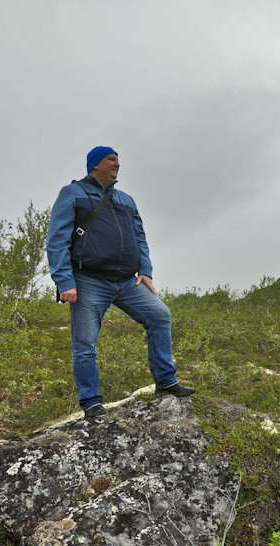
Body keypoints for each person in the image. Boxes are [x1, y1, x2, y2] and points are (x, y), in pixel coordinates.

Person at [47, 146, 194, 418]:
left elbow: (140, 237)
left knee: (160, 315)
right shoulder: (73, 193)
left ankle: (166, 382)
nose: (117, 164)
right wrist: (64, 281)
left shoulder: (126, 200)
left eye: (118, 160)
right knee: (85, 344)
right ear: (94, 165)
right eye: (111, 160)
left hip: (127, 282)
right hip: (88, 280)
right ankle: (91, 403)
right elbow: (57, 239)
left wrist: (145, 270)